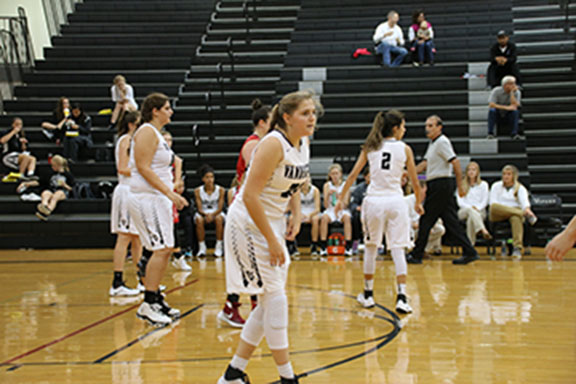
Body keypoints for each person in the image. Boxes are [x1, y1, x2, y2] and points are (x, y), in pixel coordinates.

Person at [219, 90, 319, 384]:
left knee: (267, 302)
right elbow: (249, 195)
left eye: (313, 112)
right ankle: (286, 377)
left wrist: (296, 214)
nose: (312, 117)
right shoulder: (272, 143)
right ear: (287, 117)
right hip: (248, 223)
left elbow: (298, 182)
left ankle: (233, 374)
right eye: (305, 113)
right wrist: (273, 239)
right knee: (275, 299)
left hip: (271, 222)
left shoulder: (303, 143)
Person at [335, 109, 423, 314]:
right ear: (395, 128)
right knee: (398, 249)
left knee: (371, 247)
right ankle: (401, 297)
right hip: (395, 201)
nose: (405, 129)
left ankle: (368, 294)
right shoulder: (405, 149)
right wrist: (418, 203)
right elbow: (415, 182)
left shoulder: (370, 147)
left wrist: (341, 199)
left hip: (374, 202)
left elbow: (352, 176)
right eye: (403, 126)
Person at [127, 93, 188, 326]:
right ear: (155, 110)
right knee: (160, 249)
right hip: (146, 198)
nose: (170, 112)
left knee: (166, 247)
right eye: (167, 107)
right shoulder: (145, 132)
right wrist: (170, 193)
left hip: (158, 198)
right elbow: (143, 168)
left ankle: (156, 298)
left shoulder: (157, 134)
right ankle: (148, 303)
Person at [218, 99, 270, 328]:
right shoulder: (253, 144)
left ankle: (245, 305)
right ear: (261, 122)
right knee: (247, 259)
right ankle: (233, 306)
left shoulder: (264, 143)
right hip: (246, 207)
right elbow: (255, 177)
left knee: (252, 259)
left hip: (256, 206)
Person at [407, 115, 479, 265]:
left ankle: (417, 254)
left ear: (439, 127)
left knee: (426, 220)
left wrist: (460, 185)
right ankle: (470, 251)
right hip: (436, 185)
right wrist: (407, 173)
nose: (427, 129)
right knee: (451, 221)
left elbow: (456, 162)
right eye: (426, 126)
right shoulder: (433, 144)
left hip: (442, 184)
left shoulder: (442, 142)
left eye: (431, 125)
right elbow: (425, 164)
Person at [109, 111, 142, 297]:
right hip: (126, 191)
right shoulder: (125, 140)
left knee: (137, 239)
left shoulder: (133, 141)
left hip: (135, 191)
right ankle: (117, 282)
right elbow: (122, 167)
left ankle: (142, 280)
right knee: (124, 237)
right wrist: (143, 170)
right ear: (131, 125)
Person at [489, 164, 537, 259]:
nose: (506, 176)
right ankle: (522, 214)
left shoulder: (520, 188)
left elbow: (525, 204)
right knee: (494, 207)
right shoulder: (496, 186)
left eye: (508, 174)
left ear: (514, 176)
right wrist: (523, 212)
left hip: (513, 215)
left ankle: (517, 248)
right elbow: (492, 203)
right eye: (504, 174)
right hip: (498, 213)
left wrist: (527, 210)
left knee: (516, 218)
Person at [162, 130, 193, 271]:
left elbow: (179, 185)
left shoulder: (176, 160)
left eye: (170, 140)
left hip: (169, 196)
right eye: (165, 140)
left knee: (173, 226)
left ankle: (178, 256)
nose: (168, 142)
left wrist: (175, 190)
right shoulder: (156, 159)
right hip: (158, 194)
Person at [404, 178, 445, 256]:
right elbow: (403, 218)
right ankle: (412, 249)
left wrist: (429, 226)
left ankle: (423, 250)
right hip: (411, 229)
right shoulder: (407, 201)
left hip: (423, 227)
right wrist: (413, 224)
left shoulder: (428, 202)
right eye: (425, 190)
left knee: (440, 229)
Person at [319, 164, 353, 256]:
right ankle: (323, 247)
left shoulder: (346, 185)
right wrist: (327, 195)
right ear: (330, 175)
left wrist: (340, 198)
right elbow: (325, 205)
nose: (335, 176)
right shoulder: (327, 185)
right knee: (324, 218)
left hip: (342, 210)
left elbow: (346, 204)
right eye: (333, 174)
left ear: (341, 174)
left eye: (336, 173)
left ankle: (348, 247)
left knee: (347, 218)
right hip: (330, 209)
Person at [194, 164, 225, 258]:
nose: (210, 179)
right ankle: (202, 248)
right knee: (199, 220)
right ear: (203, 179)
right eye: (207, 177)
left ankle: (219, 247)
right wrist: (206, 215)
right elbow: (199, 208)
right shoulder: (197, 191)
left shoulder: (221, 190)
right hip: (203, 212)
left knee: (219, 219)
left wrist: (212, 215)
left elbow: (220, 208)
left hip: (216, 212)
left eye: (211, 177)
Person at [457, 161, 491, 244]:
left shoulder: (484, 185)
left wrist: (477, 208)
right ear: (467, 172)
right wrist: (470, 208)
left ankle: (470, 245)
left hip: (480, 211)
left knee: (471, 219)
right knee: (470, 211)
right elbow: (460, 201)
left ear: (477, 172)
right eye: (469, 170)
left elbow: (485, 200)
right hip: (463, 211)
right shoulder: (461, 184)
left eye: (474, 170)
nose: (471, 172)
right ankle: (482, 229)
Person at [287, 177, 320, 257]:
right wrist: (299, 215)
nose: (305, 182)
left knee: (315, 219)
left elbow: (317, 209)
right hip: (300, 212)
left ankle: (314, 246)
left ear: (309, 180)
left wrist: (309, 216)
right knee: (291, 218)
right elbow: (293, 207)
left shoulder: (315, 190)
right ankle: (292, 245)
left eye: (307, 179)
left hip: (311, 212)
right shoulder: (296, 191)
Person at [35, 155, 75, 221]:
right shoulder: (51, 173)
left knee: (56, 196)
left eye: (53, 165)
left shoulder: (68, 175)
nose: (52, 167)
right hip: (52, 190)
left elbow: (72, 188)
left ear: (58, 165)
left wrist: (65, 185)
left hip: (63, 192)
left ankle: (48, 210)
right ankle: (44, 206)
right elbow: (41, 181)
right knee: (45, 193)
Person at [488, 76, 521, 140]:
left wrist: (512, 93)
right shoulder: (496, 90)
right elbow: (491, 104)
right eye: (511, 83)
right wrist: (507, 107)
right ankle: (490, 133)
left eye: (514, 83)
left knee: (515, 112)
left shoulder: (517, 92)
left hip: (509, 114)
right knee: (492, 110)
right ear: (505, 85)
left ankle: (514, 133)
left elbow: (515, 105)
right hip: (498, 112)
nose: (514, 85)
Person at [349, 168, 370, 255]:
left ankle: (379, 244)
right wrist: (357, 207)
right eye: (369, 176)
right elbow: (353, 203)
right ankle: (356, 242)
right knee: (355, 216)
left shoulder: (379, 188)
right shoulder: (359, 189)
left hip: (375, 212)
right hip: (362, 213)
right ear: (365, 177)